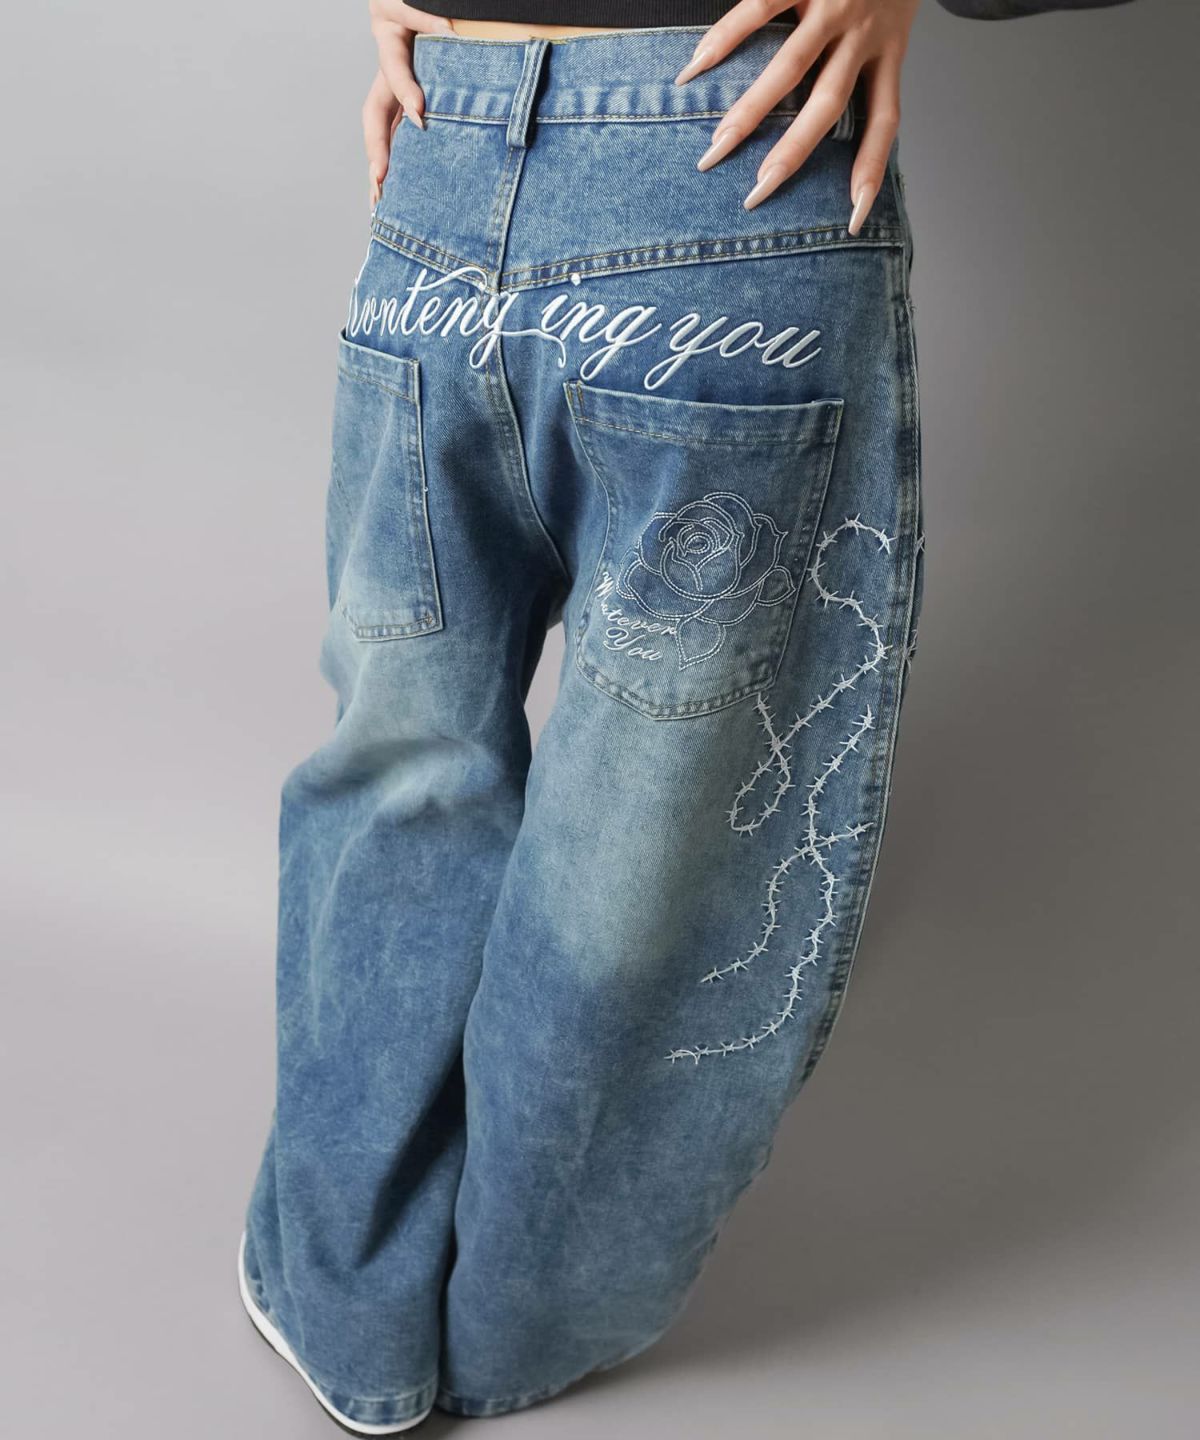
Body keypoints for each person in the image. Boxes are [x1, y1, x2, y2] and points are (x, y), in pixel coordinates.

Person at [237, 1, 1132, 1432]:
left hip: (461, 144)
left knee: (398, 763)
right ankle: (519, 1323)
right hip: (717, 176)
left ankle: (349, 1309)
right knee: (645, 831)